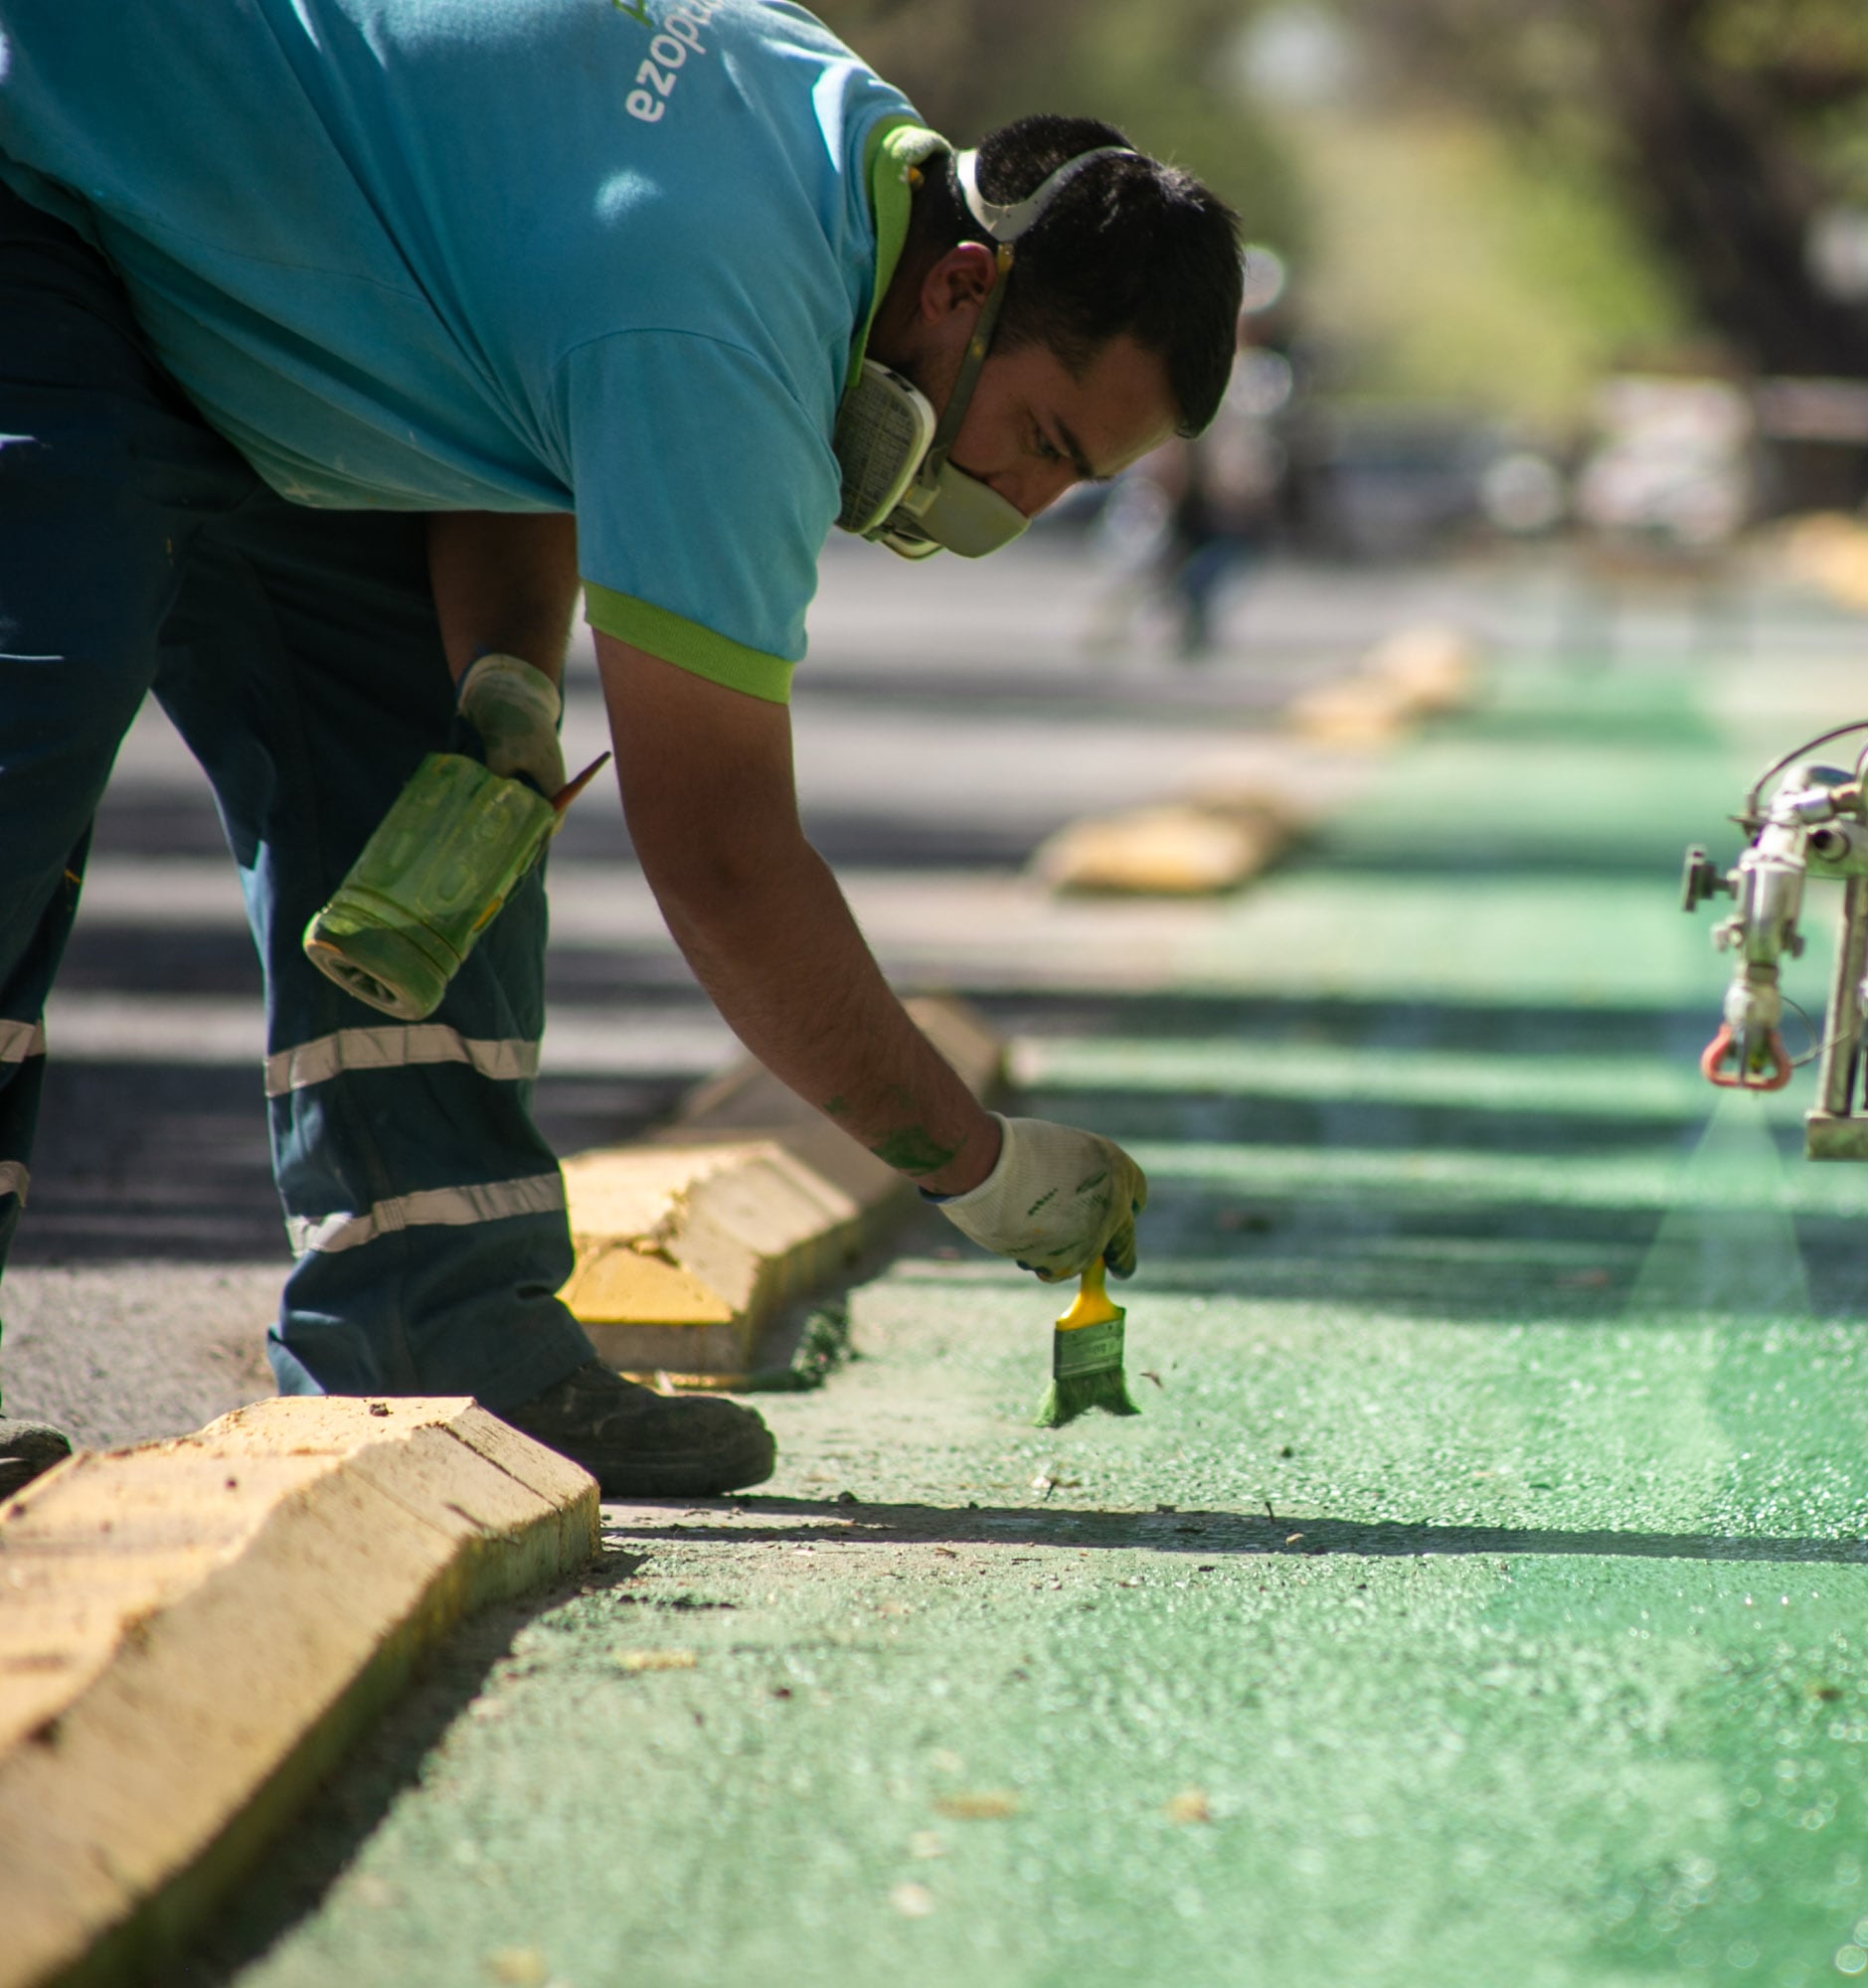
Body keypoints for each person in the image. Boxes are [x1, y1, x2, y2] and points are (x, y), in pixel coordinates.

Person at [0, 1, 1242, 1498]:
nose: (1016, 509)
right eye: (1043, 445)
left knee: (425, 768)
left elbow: (517, 387)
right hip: (54, 185)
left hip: (273, 270)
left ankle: (431, 1328)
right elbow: (721, 856)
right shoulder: (737, 321)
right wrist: (973, 1166)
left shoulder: (850, 154)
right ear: (967, 288)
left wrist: (508, 679)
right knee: (30, 710)